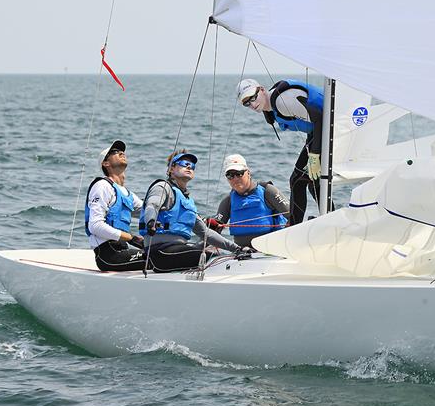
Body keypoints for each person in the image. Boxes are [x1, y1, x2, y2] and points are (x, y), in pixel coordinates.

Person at [139, 150, 249, 273]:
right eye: (184, 163)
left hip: (177, 250)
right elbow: (152, 205)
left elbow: (205, 232)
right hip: (160, 252)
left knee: (224, 255)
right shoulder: (162, 187)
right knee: (214, 258)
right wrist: (151, 222)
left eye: (192, 166)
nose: (188, 167)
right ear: (171, 169)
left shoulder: (187, 201)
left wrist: (237, 249)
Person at [237, 78, 326, 225]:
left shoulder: (282, 101)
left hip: (331, 127)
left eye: (253, 97)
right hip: (318, 132)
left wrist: (315, 155)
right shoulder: (270, 106)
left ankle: (298, 224)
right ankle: (316, 219)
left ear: (262, 90)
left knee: (301, 180)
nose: (252, 105)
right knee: (303, 181)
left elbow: (321, 118)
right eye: (246, 103)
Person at [85, 140, 146, 272]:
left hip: (122, 250)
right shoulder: (102, 186)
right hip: (108, 255)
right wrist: (131, 238)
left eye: (122, 151)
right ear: (105, 163)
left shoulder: (127, 194)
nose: (121, 153)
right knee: (157, 257)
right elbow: (95, 226)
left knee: (163, 253)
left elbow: (150, 212)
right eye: (115, 152)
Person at [208, 154, 289, 249]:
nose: (235, 179)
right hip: (242, 253)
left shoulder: (268, 192)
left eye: (239, 174)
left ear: (248, 173)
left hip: (272, 250)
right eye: (230, 175)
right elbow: (214, 230)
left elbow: (294, 216)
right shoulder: (228, 201)